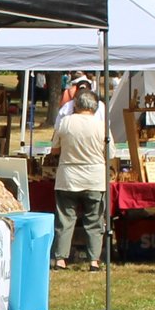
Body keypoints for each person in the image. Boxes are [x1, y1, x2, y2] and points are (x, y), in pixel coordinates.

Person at [50, 78, 109, 268]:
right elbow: (110, 153)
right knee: (94, 221)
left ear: (76, 105)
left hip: (68, 176)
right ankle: (93, 260)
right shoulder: (101, 126)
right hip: (94, 177)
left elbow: (55, 149)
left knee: (65, 219)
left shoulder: (65, 123)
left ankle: (60, 258)